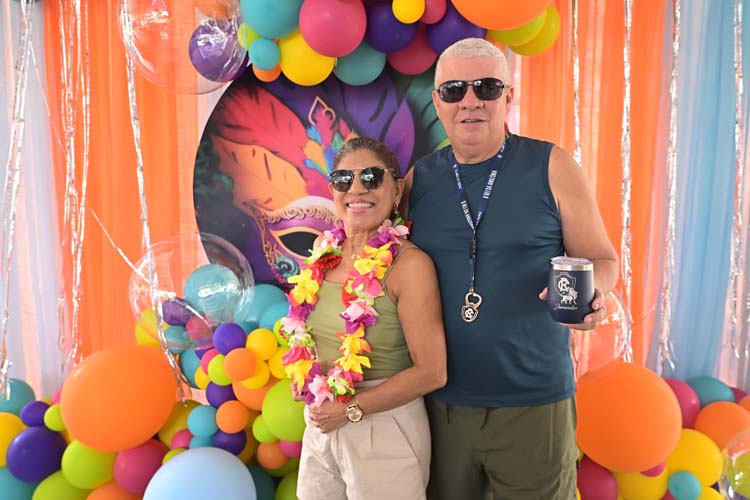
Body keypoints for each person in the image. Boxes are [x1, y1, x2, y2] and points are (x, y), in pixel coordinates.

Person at [400, 38, 619, 500]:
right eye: (454, 90)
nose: (470, 101)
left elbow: (602, 259)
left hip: (533, 402)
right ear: (438, 102)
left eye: (486, 87)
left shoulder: (552, 166)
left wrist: (593, 295)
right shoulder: (419, 178)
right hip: (441, 404)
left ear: (508, 96)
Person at [281, 137, 447, 500]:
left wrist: (351, 410)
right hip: (322, 425)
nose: (356, 189)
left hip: (382, 428)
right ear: (332, 190)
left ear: (396, 188)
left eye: (371, 177)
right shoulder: (323, 252)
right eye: (344, 179)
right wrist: (305, 375)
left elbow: (432, 372)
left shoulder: (410, 265)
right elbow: (310, 333)